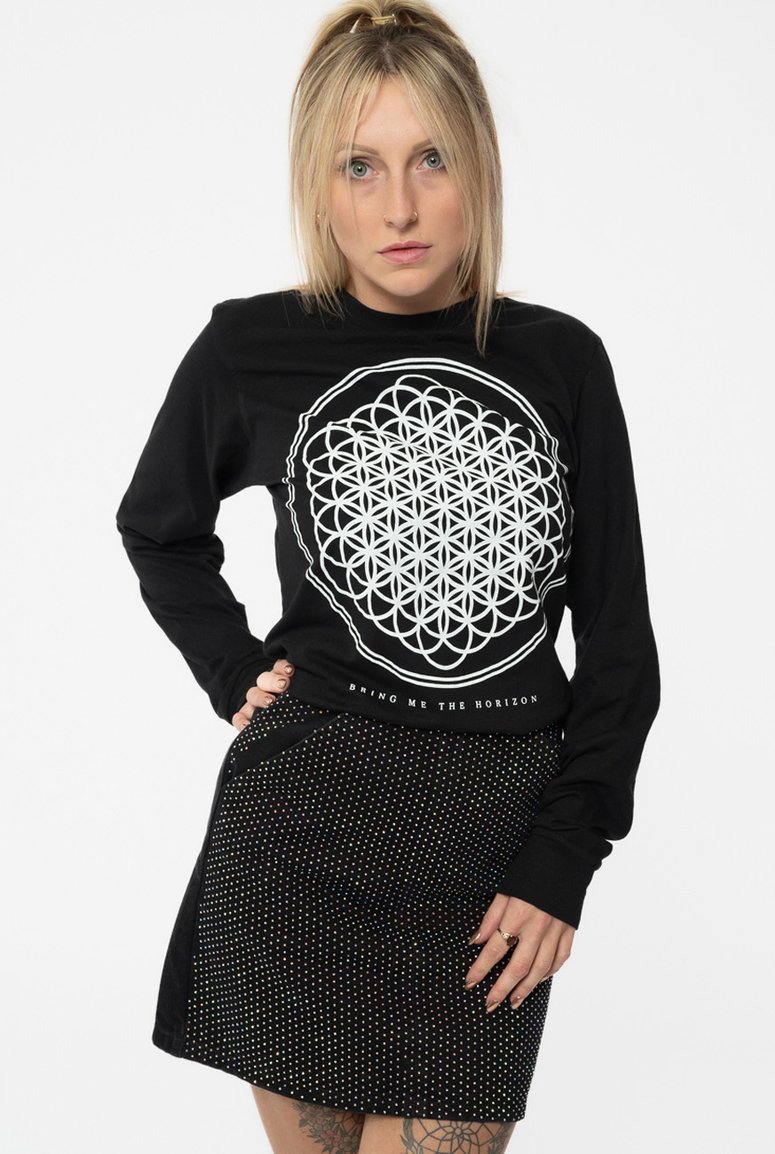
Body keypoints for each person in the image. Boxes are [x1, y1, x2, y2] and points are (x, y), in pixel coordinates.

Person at [115, 2, 660, 1151]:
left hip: (495, 843)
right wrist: (231, 668)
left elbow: (618, 643)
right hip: (298, 836)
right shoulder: (248, 346)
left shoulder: (559, 360)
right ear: (317, 184)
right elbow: (157, 527)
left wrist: (563, 856)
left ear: (479, 168)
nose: (397, 206)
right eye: (358, 166)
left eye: (430, 160)